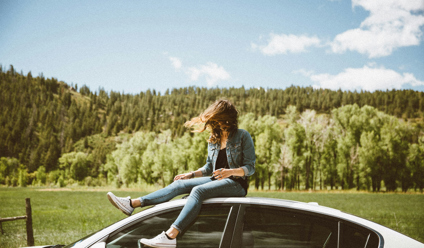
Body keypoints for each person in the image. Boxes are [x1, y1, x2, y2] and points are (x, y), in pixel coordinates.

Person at [107, 99, 256, 248]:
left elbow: (250, 167)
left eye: (219, 119)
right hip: (215, 180)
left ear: (227, 118)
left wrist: (230, 172)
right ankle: (132, 203)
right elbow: (209, 167)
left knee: (198, 191)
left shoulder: (242, 136)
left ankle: (170, 236)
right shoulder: (214, 140)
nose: (217, 123)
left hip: (236, 184)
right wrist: (191, 174)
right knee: (179, 184)